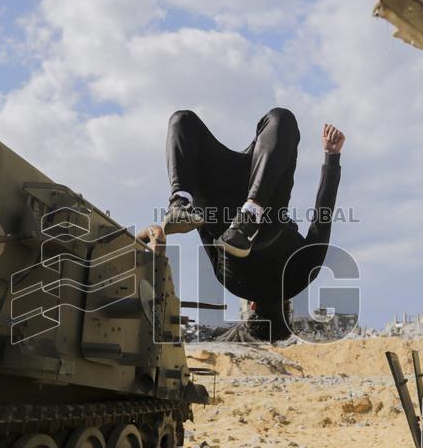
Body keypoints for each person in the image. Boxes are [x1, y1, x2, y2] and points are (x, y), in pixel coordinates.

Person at [138, 107, 345, 341]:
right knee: (182, 121)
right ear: (253, 307)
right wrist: (199, 201)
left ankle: (251, 212)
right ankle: (179, 199)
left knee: (282, 119)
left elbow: (322, 218)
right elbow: (203, 229)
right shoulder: (232, 285)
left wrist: (332, 156)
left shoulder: (303, 277)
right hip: (222, 214)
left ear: (288, 308)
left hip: (266, 206)